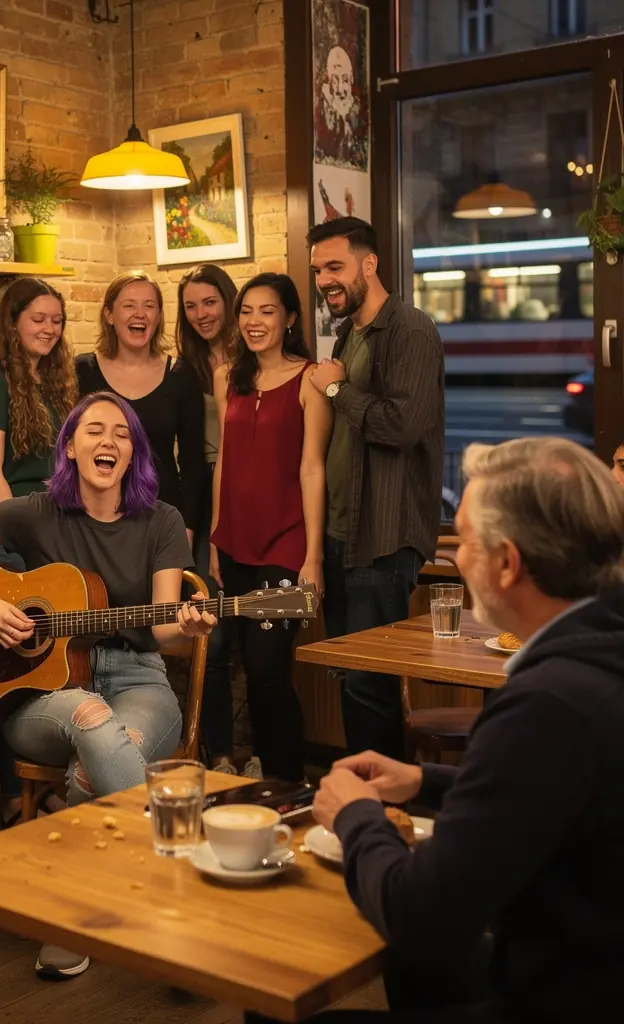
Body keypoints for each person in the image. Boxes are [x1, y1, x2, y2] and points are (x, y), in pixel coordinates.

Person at [280, 437, 624, 1024]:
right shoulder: (599, 653)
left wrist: (357, 814)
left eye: (464, 540)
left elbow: (422, 919)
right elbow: (542, 791)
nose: (458, 558)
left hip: (567, 996)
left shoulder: (548, 704)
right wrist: (423, 779)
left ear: (509, 563)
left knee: (289, 1006)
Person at [0, 390, 216, 980]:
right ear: (70, 447)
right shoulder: (36, 511)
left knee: (96, 754)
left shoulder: (161, 521)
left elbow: (162, 633)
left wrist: (190, 630)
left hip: (139, 681)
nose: (109, 442)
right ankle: (183, 895)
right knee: (85, 714)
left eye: (123, 434)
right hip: (45, 697)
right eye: (95, 431)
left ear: (135, 453)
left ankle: (72, 913)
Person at [308, 217, 444, 761]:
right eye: (318, 269)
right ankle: (360, 804)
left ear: (370, 264)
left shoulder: (410, 328)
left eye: (335, 267)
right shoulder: (348, 334)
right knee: (351, 677)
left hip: (385, 537)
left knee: (371, 685)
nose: (324, 280)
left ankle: (387, 813)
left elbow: (401, 427)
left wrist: (336, 386)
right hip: (346, 532)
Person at [209, 274, 332, 782]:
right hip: (234, 544)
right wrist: (216, 538)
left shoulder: (311, 380)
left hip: (286, 546)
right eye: (247, 312)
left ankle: (287, 780)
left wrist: (313, 558)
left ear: (290, 319)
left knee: (267, 667)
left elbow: (313, 468)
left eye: (267, 311)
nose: (254, 322)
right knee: (250, 668)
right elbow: (224, 460)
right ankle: (268, 774)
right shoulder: (225, 378)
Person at [76, 270, 205, 545]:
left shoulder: (181, 374)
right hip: (95, 521)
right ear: (109, 315)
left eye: (149, 306)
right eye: (129, 305)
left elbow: (193, 463)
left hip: (162, 518)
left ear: (158, 317)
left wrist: (188, 528)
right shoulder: (82, 371)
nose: (140, 313)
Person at [174, 265, 239, 773]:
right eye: (191, 305)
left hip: (256, 490)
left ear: (229, 301)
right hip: (207, 493)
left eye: (209, 302)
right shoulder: (184, 371)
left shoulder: (258, 357)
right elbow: (191, 459)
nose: (201, 314)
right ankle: (220, 751)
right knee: (210, 634)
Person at [0, 277, 78, 555]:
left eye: (56, 321)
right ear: (13, 323)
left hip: (56, 524)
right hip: (13, 531)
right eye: (38, 320)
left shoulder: (57, 382)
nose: (49, 329)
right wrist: (22, 539)